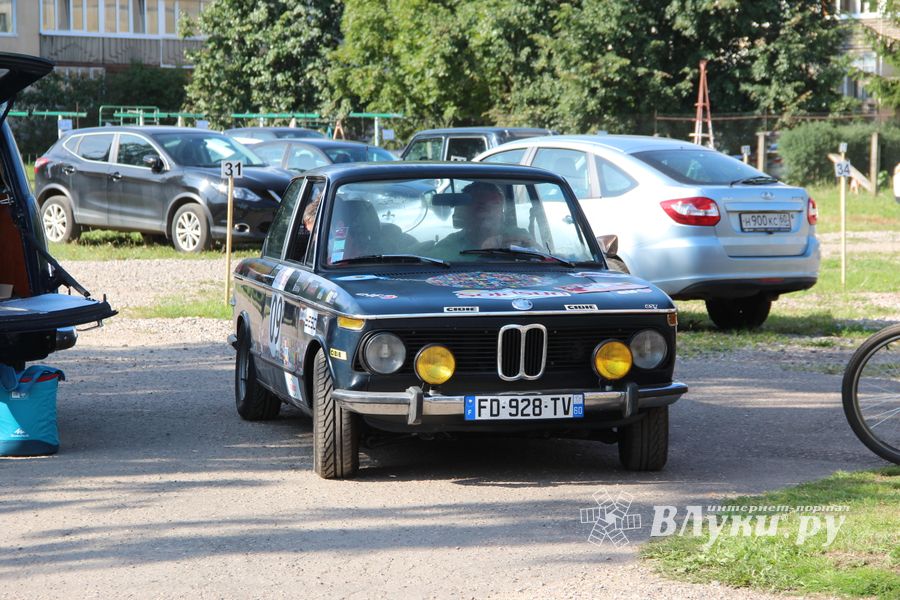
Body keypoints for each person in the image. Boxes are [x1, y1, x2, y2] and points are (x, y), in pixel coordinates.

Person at [430, 182, 535, 260]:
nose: (488, 211)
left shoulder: (517, 235)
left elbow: (543, 258)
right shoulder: (450, 245)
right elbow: (430, 265)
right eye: (480, 206)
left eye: (494, 204)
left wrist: (519, 246)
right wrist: (485, 252)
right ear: (466, 212)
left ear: (501, 211)